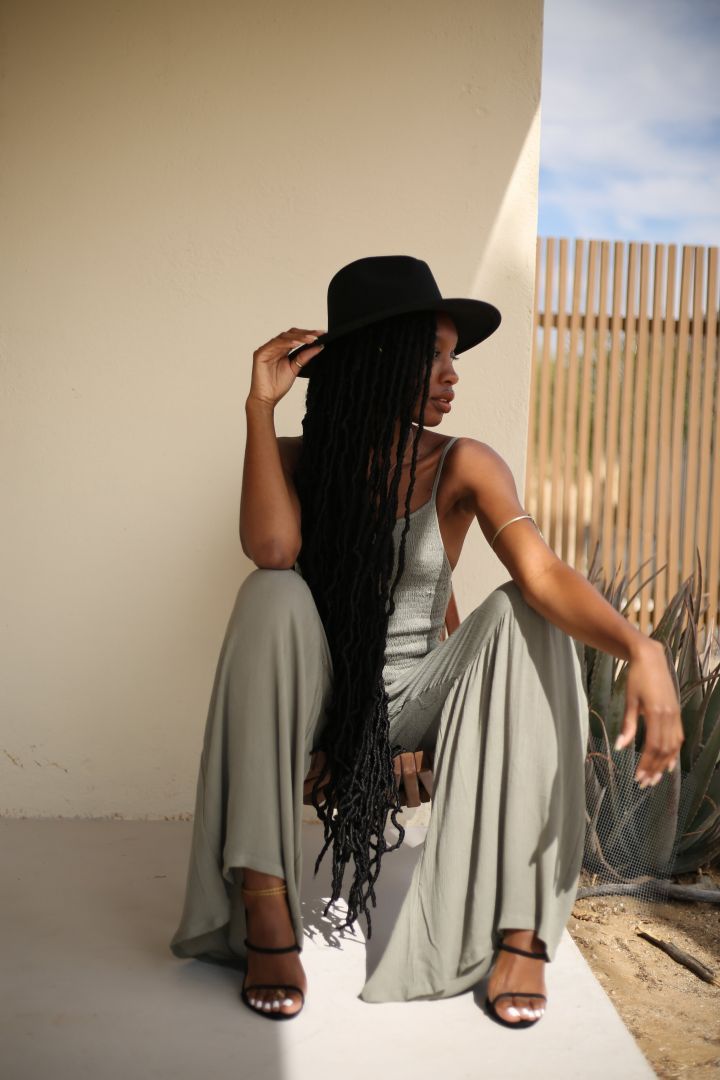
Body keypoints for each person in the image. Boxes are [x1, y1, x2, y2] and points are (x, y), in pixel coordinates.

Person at [169, 255, 683, 1026]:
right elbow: (273, 550)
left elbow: (541, 571)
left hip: (416, 701)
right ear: (376, 360)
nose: (451, 374)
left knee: (522, 610)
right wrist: (258, 412)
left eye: (452, 355)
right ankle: (265, 901)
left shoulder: (461, 463)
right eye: (432, 354)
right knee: (271, 592)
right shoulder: (294, 461)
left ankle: (522, 929)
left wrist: (640, 646)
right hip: (315, 704)